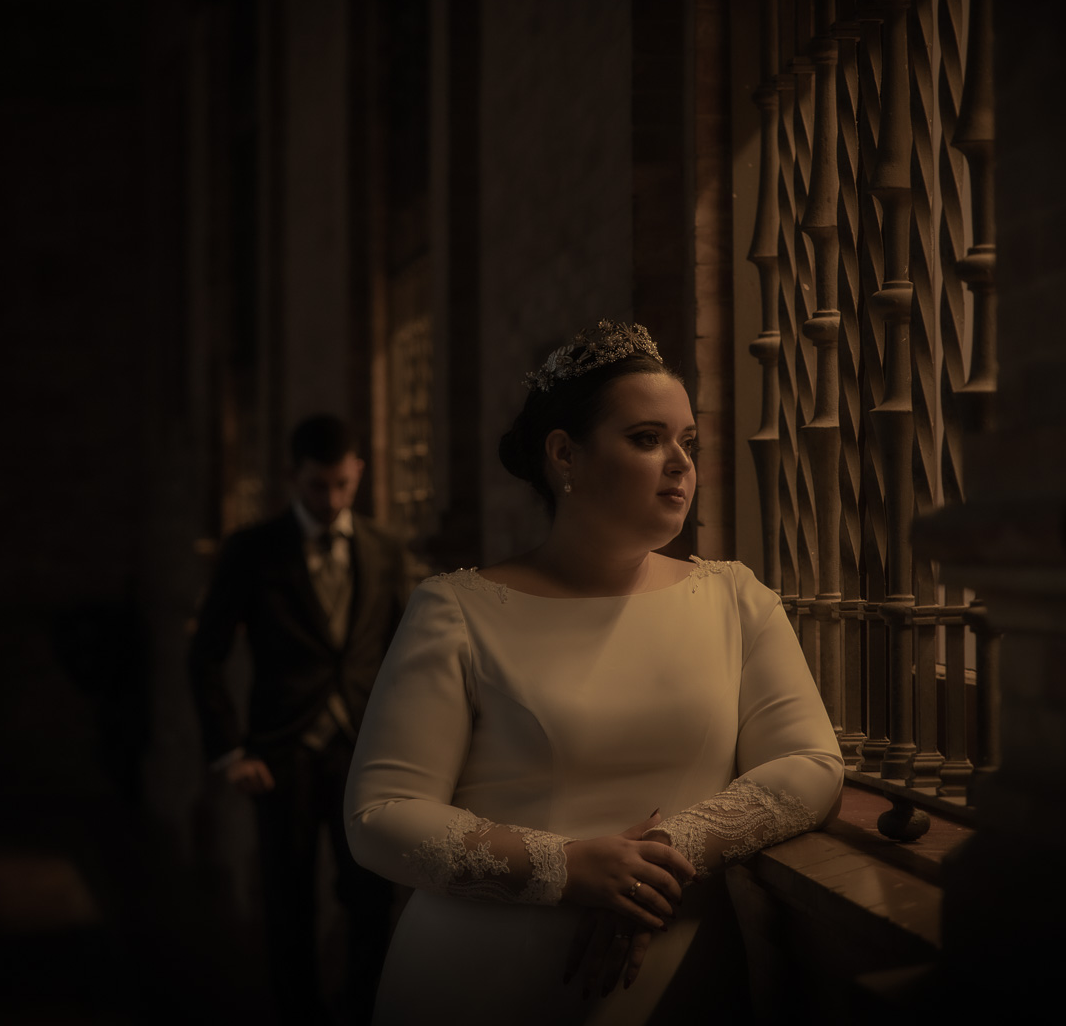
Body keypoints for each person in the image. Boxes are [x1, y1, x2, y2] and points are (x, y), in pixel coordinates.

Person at [343, 321, 843, 1025]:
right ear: (564, 455)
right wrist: (567, 869)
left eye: (688, 443)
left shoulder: (736, 598)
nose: (680, 463)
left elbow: (812, 763)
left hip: (679, 982)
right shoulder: (457, 610)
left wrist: (667, 854)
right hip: (480, 984)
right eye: (647, 439)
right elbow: (380, 816)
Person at [188, 414, 415, 1026]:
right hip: (279, 757)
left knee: (372, 897)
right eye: (319, 487)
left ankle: (363, 1011)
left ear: (358, 473)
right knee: (288, 904)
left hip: (364, 753)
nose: (332, 500)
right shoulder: (252, 550)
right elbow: (205, 655)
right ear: (293, 477)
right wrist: (232, 752)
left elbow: (407, 654)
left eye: (343, 485)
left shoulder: (386, 549)